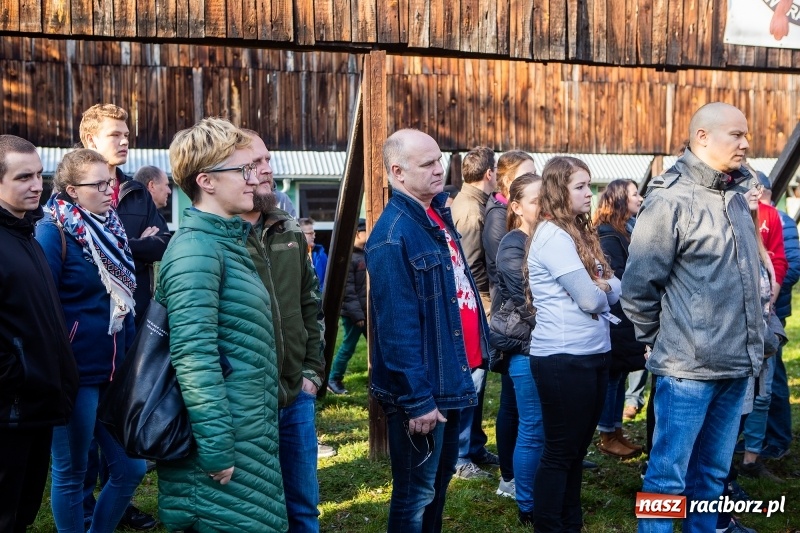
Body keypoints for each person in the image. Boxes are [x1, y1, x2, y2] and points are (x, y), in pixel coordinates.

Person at [622, 102, 763, 533]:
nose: (745, 143)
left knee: (713, 479)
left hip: (737, 364)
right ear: (702, 136)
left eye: (746, 135)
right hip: (687, 369)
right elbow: (638, 286)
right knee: (666, 478)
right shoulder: (668, 200)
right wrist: (656, 339)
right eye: (736, 134)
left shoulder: (737, 196)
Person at [156, 117, 287, 532]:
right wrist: (216, 450)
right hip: (220, 450)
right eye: (242, 170)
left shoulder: (224, 243)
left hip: (247, 432)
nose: (254, 180)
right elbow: (194, 357)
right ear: (207, 181)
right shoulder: (196, 250)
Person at [366, 128, 487, 532]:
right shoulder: (392, 234)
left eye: (439, 160)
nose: (440, 170)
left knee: (436, 486)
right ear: (398, 172)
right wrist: (416, 399)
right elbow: (396, 328)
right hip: (425, 389)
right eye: (428, 164)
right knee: (415, 494)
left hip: (452, 376)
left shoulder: (436, 213)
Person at [36, 148, 146, 533]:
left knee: (131, 468)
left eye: (110, 181)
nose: (108, 190)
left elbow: (125, 301)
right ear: (70, 190)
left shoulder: (111, 227)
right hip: (75, 376)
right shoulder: (54, 231)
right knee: (71, 473)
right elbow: (41, 305)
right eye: (97, 184)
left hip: (113, 374)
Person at [79, 103, 165, 530]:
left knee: (119, 417)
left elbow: (160, 242)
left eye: (128, 133)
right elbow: (90, 253)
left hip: (134, 324)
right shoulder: (71, 193)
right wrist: (135, 243)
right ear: (91, 141)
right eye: (116, 135)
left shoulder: (134, 191)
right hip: (91, 331)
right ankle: (83, 505)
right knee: (83, 435)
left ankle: (120, 500)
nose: (126, 140)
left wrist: (125, 243)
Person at [527, 156, 620, 532]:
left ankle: (570, 522)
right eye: (580, 186)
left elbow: (614, 285)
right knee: (561, 451)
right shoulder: (552, 236)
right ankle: (550, 524)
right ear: (558, 191)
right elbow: (590, 299)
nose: (589, 193)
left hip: (592, 353)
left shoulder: (578, 234)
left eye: (589, 184)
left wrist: (605, 287)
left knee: (576, 451)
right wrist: (603, 288)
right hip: (563, 357)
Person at [241, 129, 326, 532]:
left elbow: (311, 305)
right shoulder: (219, 240)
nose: (267, 171)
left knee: (304, 508)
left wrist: (312, 372)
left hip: (296, 392)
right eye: (256, 163)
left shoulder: (289, 231)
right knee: (256, 512)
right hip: (245, 401)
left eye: (268, 161)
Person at [0, 135, 79, 533]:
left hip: (37, 404)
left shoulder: (26, 232)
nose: (36, 185)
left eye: (39, 175)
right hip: (11, 410)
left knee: (23, 512)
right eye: (23, 177)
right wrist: (18, 379)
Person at [483, 150, 537, 495]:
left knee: (520, 406)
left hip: (519, 319)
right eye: (526, 174)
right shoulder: (499, 223)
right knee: (513, 405)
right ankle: (509, 475)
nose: (535, 178)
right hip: (513, 321)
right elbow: (505, 275)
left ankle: (519, 472)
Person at [492, 173, 545, 525]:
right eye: (536, 200)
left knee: (544, 424)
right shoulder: (513, 243)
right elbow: (526, 298)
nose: (543, 207)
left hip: (548, 344)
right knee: (532, 425)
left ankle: (542, 492)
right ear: (516, 207)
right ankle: (526, 504)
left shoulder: (551, 238)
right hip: (523, 345)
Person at [449, 146, 499, 480]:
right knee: (472, 378)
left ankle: (475, 445)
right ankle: (461, 456)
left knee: (478, 377)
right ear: (489, 173)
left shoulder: (475, 203)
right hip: (475, 303)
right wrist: (488, 299)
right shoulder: (469, 209)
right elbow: (467, 265)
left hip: (479, 302)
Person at [593, 179, 645, 459]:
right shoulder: (609, 237)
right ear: (619, 200)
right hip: (617, 316)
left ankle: (615, 429)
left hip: (627, 314)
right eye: (635, 194)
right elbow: (619, 274)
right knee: (613, 376)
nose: (640, 198)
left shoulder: (625, 231)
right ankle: (606, 432)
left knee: (620, 373)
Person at [759, 171, 800, 460]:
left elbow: (793, 266)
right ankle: (756, 438)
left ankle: (778, 438)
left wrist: (767, 293)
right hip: (758, 311)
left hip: (773, 313)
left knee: (773, 377)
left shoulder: (780, 221)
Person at [328, 217, 369, 395]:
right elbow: (348, 290)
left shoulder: (367, 254)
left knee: (377, 348)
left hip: (368, 312)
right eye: (366, 230)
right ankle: (333, 379)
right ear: (357, 233)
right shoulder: (350, 258)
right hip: (355, 314)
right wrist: (358, 315)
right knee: (348, 346)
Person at [300, 217, 328, 290]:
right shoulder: (293, 256)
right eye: (310, 233)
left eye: (314, 233)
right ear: (300, 234)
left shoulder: (321, 254)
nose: (314, 236)